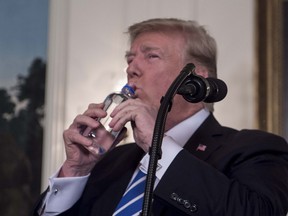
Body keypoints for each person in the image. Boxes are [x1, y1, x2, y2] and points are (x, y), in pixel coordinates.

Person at [34, 18, 288, 216]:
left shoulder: (255, 148)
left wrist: (159, 149)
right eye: (130, 58)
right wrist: (75, 172)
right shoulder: (110, 161)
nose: (131, 68)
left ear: (196, 78)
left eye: (151, 56)